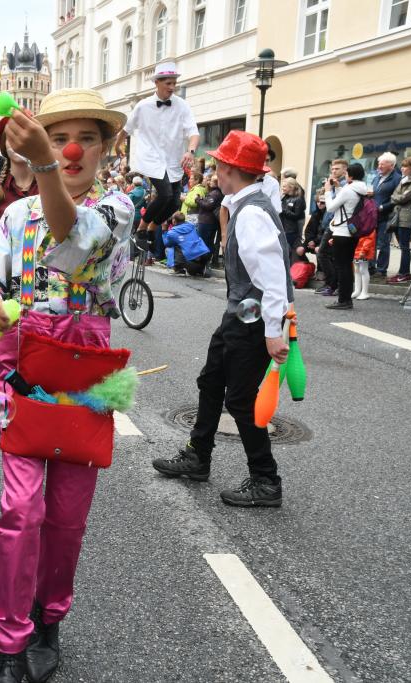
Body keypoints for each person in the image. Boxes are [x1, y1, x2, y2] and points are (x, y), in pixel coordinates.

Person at [0, 89, 133, 683]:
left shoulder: (117, 209)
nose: (70, 149)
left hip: (86, 378)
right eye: (60, 137)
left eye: (86, 138)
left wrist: (40, 164)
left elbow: (76, 238)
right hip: (23, 373)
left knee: (66, 514)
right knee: (20, 508)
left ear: (105, 150)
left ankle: (49, 618)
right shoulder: (15, 216)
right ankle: (10, 641)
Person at [152, 130, 292, 507]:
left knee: (242, 400)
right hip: (242, 314)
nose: (214, 170)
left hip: (255, 318)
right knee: (211, 379)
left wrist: (274, 332)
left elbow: (274, 280)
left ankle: (266, 480)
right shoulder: (245, 204)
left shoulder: (252, 215)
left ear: (228, 168)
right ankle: (198, 455)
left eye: (218, 164)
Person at [115, 61, 199, 247]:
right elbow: (127, 129)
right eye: (168, 83)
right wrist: (117, 146)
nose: (172, 87)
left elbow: (193, 132)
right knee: (165, 194)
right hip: (151, 158)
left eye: (174, 83)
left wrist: (191, 151)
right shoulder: (143, 106)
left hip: (173, 159)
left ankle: (153, 226)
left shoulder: (182, 106)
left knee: (175, 203)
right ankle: (142, 228)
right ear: (157, 83)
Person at [0, 117, 39, 259]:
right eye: (12, 139)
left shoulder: (49, 189)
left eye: (25, 139)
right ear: (5, 146)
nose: (19, 145)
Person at [322, 162, 369, 310]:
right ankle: (346, 299)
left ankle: (343, 300)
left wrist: (328, 191)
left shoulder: (348, 189)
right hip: (352, 232)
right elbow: (348, 201)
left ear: (351, 175)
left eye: (347, 173)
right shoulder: (360, 189)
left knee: (341, 267)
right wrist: (337, 187)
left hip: (342, 231)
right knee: (346, 266)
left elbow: (330, 207)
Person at [371, 152, 402, 279]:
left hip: (387, 216)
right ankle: (370, 267)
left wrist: (383, 207)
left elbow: (397, 198)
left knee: (384, 243)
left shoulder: (397, 179)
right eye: (379, 163)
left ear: (391, 165)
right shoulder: (377, 177)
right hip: (373, 215)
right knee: (371, 242)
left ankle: (381, 269)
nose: (379, 166)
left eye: (382, 164)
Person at [387, 156, 411, 284]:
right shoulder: (404, 180)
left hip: (406, 217)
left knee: (404, 246)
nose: (402, 168)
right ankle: (401, 272)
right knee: (401, 246)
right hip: (398, 216)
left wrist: (396, 197)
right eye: (402, 166)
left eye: (405, 166)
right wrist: (396, 197)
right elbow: (394, 195)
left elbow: (402, 197)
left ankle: (405, 274)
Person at [163, 211, 210, 276]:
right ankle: (203, 268)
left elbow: (167, 244)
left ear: (174, 221)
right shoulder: (192, 225)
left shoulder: (172, 233)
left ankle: (179, 268)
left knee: (170, 247)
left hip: (190, 259)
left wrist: (164, 230)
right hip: (204, 253)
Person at [195, 173, 224, 266]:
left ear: (215, 183)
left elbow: (208, 205)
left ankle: (202, 264)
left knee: (203, 243)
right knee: (208, 243)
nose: (208, 182)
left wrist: (198, 200)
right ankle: (204, 263)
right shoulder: (216, 192)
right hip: (210, 222)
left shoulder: (215, 193)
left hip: (206, 222)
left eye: (210, 180)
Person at [279, 178, 306, 253]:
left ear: (291, 187)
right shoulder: (284, 197)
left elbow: (296, 215)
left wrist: (283, 210)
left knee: (289, 251)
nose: (282, 188)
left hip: (291, 230)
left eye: (284, 186)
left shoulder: (299, 199)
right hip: (283, 228)